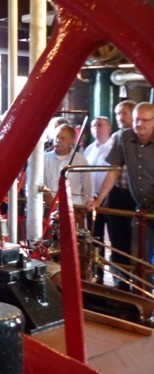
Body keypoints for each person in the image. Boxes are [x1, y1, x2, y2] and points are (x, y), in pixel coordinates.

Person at [86, 102, 154, 275]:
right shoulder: (124, 137)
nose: (140, 124)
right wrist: (99, 200)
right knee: (140, 258)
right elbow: (114, 170)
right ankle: (137, 290)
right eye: (137, 120)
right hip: (142, 207)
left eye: (145, 120)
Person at [105, 100, 137, 287]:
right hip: (118, 194)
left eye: (124, 113)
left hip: (137, 196)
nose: (120, 117)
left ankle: (140, 284)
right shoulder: (118, 137)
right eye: (118, 114)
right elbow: (113, 169)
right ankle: (120, 282)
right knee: (118, 240)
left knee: (138, 241)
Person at [84, 116, 113, 282]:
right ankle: (97, 274)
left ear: (109, 128)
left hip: (110, 198)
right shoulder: (89, 149)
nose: (97, 128)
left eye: (100, 125)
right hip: (92, 198)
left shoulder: (114, 147)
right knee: (95, 237)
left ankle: (118, 278)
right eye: (94, 125)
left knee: (114, 238)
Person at [43, 124, 94, 210]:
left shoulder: (80, 159)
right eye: (57, 137)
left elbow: (88, 185)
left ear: (71, 141)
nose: (58, 141)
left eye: (63, 138)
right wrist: (45, 194)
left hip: (73, 208)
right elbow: (36, 181)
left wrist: (83, 208)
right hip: (48, 208)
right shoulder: (44, 158)